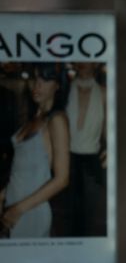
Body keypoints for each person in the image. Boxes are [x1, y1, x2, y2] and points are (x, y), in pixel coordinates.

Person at [0, 63, 70, 238]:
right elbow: (23, 171)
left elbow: (62, 179)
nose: (37, 84)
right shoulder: (34, 118)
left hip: (30, 210)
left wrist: (18, 209)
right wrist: (2, 195)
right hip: (12, 205)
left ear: (58, 86)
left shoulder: (57, 120)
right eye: (35, 78)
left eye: (45, 79)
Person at [63, 62, 107, 236]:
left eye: (88, 60)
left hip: (92, 158)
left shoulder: (103, 93)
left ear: (95, 65)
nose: (83, 64)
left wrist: (109, 147)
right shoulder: (65, 91)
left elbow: (107, 127)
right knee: (69, 211)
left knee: (91, 211)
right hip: (67, 158)